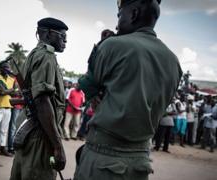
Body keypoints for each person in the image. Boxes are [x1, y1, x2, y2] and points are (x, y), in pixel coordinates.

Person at [75, 0, 182, 179]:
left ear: (133, 14)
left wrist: (101, 47)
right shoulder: (173, 61)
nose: (117, 23)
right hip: (141, 160)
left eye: (120, 15)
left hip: (104, 158)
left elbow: (87, 86)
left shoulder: (112, 46)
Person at [10, 17, 68, 180]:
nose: (65, 41)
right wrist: (57, 146)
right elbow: (42, 101)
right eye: (62, 36)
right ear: (49, 34)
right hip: (41, 135)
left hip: (32, 131)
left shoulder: (35, 54)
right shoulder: (46, 56)